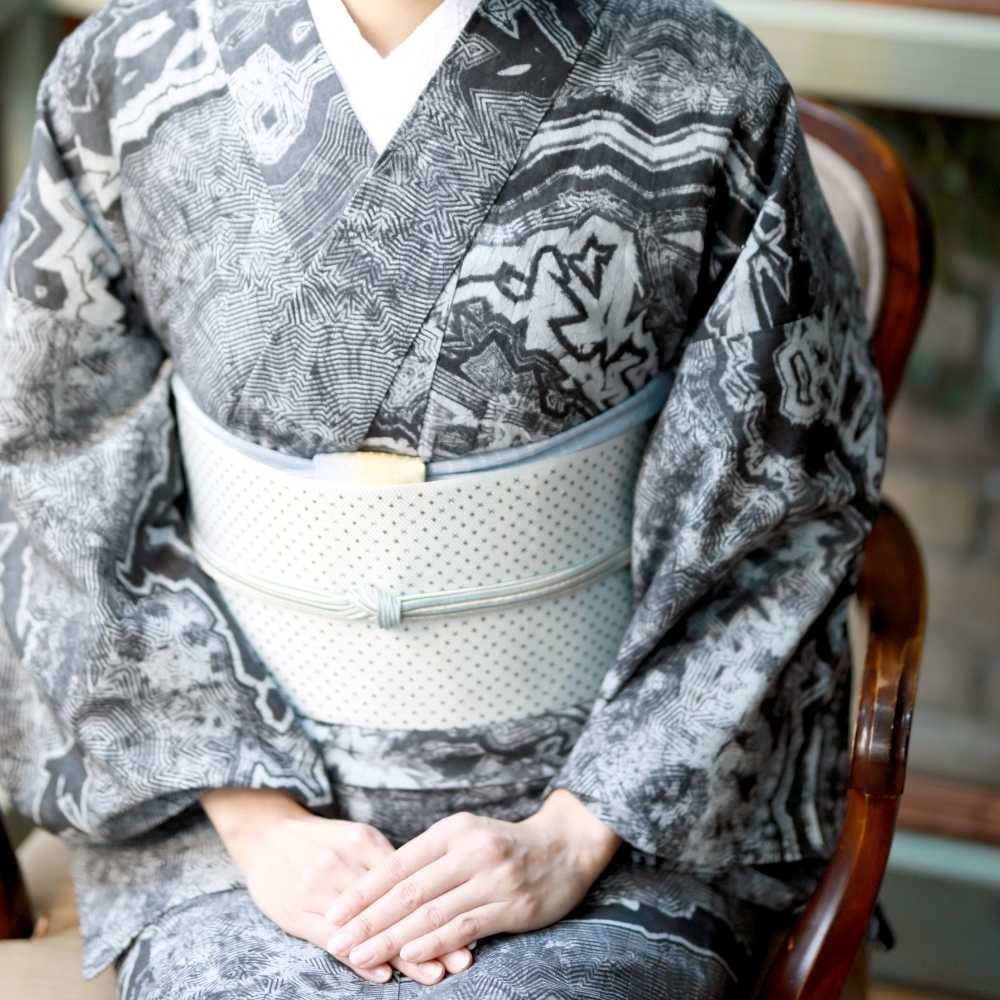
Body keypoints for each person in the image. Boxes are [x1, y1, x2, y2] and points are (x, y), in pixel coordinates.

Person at [0, 0, 886, 997]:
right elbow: (49, 462)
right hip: (231, 821)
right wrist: (257, 822)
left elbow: (781, 503)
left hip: (603, 819)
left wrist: (571, 834)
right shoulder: (127, 68)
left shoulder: (703, 81)